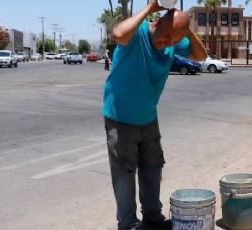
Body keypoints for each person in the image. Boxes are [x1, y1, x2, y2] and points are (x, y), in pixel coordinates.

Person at [102, 1, 207, 229]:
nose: (166, 44)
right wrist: (150, 8)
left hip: (149, 117)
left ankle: (152, 216)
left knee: (152, 168)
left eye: (174, 41)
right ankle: (128, 223)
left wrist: (184, 29)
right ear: (156, 23)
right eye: (166, 37)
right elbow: (118, 34)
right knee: (125, 173)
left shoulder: (172, 42)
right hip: (120, 116)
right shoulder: (137, 33)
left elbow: (200, 55)